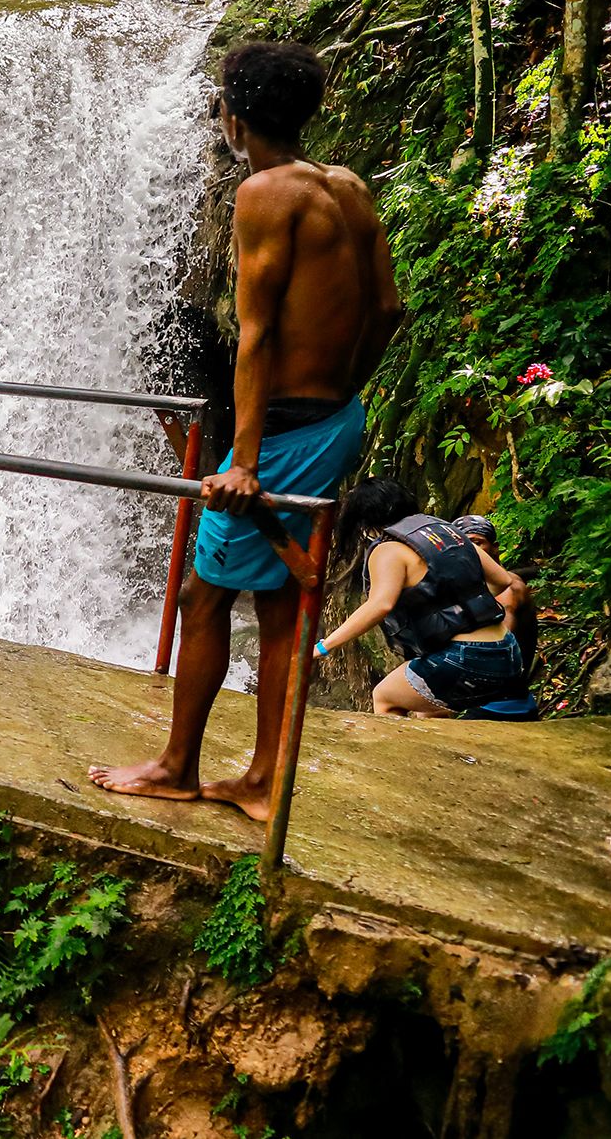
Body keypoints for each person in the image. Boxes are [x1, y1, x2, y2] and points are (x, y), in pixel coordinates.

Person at [90, 40, 402, 822]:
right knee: (278, 606)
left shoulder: (265, 193)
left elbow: (256, 334)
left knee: (203, 597)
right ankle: (263, 778)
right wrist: (344, 394)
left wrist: (247, 461)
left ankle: (177, 767)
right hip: (334, 416)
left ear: (236, 115)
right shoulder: (350, 188)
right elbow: (390, 310)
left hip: (284, 432)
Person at [313, 480, 527, 716]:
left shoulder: (388, 549)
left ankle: (394, 754)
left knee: (385, 697)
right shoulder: (447, 531)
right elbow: (503, 580)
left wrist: (323, 647)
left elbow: (380, 605)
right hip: (508, 653)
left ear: (362, 520)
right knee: (427, 708)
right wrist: (463, 605)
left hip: (466, 659)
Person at [453, 513, 537, 667]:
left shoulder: (508, 589)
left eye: (476, 543)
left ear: (495, 548)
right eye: (462, 544)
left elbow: (500, 646)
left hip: (501, 677)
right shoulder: (473, 585)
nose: (471, 550)